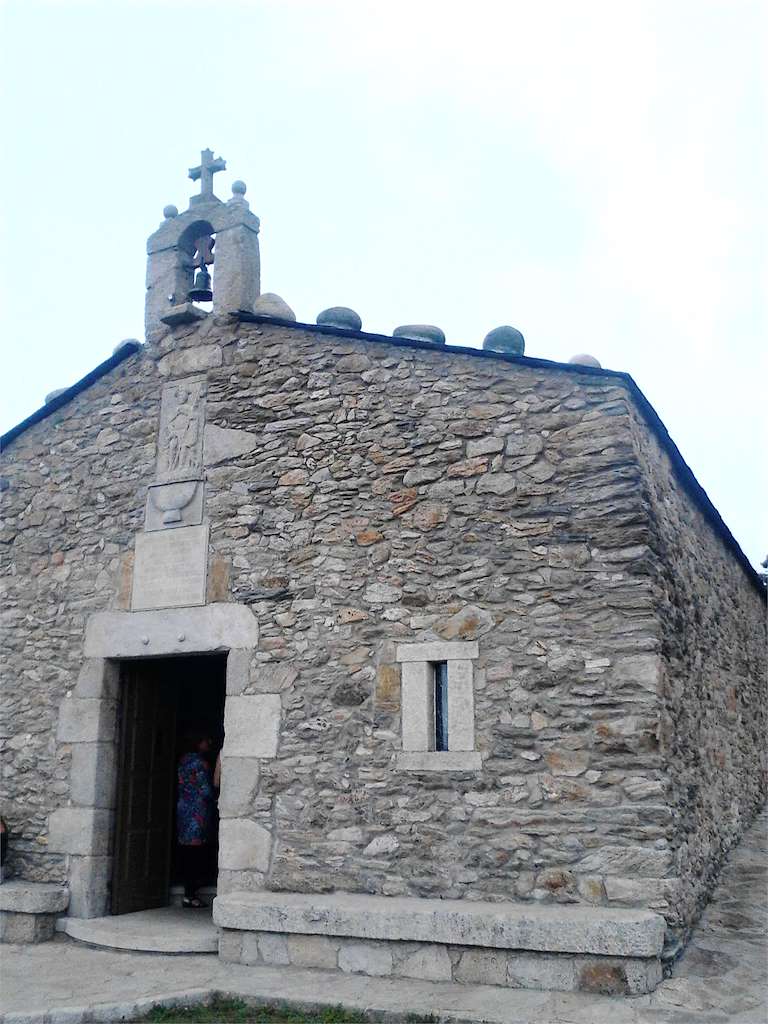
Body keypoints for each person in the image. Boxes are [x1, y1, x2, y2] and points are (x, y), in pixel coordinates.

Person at [176, 732, 215, 908]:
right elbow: (206, 790)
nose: (209, 743)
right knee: (196, 853)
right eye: (206, 740)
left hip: (183, 809)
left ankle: (187, 891)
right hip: (197, 813)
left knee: (186, 852)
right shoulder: (200, 763)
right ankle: (190, 894)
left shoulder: (183, 761)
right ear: (199, 743)